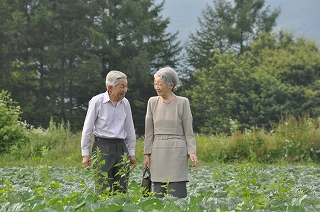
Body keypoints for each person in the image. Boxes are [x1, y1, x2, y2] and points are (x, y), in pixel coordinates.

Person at [143, 67, 198, 198]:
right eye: (155, 84)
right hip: (158, 151)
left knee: (177, 195)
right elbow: (149, 131)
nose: (157, 87)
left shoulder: (183, 102)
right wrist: (146, 154)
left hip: (177, 151)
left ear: (171, 85)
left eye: (160, 84)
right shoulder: (152, 102)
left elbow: (189, 132)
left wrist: (192, 151)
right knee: (158, 196)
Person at [81, 70, 137, 194]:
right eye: (122, 86)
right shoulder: (97, 101)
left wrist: (131, 152)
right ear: (110, 87)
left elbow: (129, 129)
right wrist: (85, 154)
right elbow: (87, 128)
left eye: (126, 86)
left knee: (122, 188)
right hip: (102, 147)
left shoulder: (126, 103)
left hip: (121, 148)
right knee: (103, 187)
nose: (125, 90)